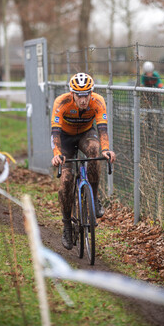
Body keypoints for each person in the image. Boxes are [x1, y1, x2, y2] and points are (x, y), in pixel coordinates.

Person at [51, 72, 116, 250]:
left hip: (86, 134)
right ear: (72, 93)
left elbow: (102, 129)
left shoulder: (98, 101)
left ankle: (93, 199)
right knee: (66, 180)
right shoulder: (62, 102)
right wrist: (57, 153)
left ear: (91, 93)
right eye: (79, 95)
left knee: (96, 152)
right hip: (65, 139)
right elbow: (55, 132)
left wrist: (106, 149)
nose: (83, 99)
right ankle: (66, 226)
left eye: (86, 94)